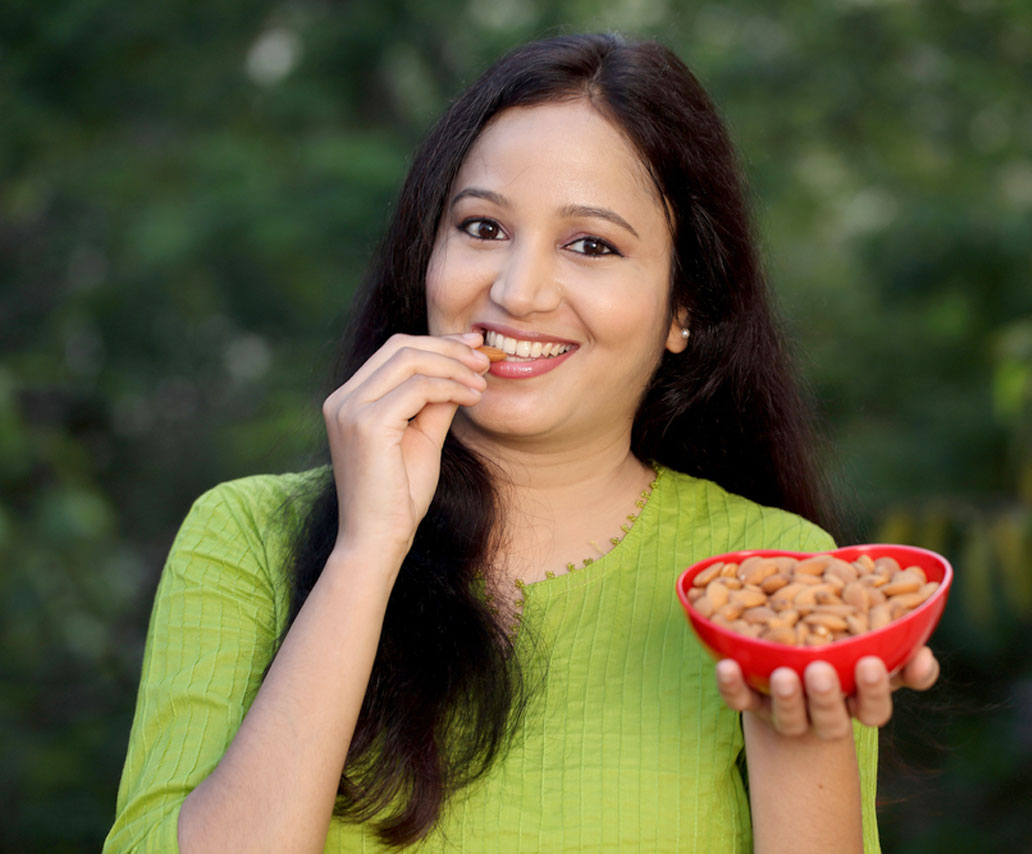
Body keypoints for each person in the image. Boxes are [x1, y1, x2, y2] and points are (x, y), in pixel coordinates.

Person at [106, 32, 939, 853]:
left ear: (684, 306)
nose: (518, 292)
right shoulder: (243, 539)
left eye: (590, 245)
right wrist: (365, 552)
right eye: (482, 228)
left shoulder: (769, 575)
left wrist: (797, 726)